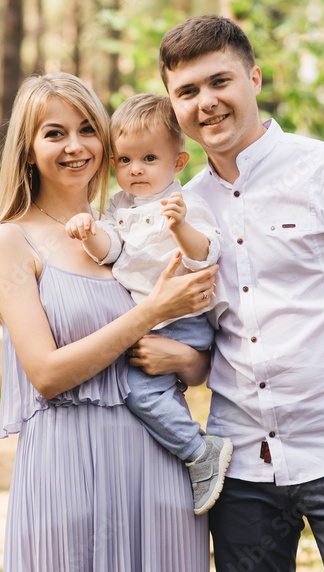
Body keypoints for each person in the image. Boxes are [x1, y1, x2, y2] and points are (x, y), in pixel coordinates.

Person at [156, 15, 324, 571]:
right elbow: (200, 337)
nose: (205, 102)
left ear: (254, 80)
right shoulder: (184, 209)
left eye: (219, 82)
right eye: (187, 91)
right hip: (242, 473)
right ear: (173, 106)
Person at [0, 72, 215, 570]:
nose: (75, 146)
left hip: (159, 464)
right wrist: (150, 312)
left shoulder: (130, 232)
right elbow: (45, 374)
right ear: (27, 149)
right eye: (54, 133)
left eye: (88, 129)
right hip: (68, 468)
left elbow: (194, 364)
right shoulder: (10, 241)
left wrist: (190, 361)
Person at [64, 93, 234, 516]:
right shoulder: (119, 206)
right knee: (142, 388)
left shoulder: (186, 204)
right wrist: (89, 232)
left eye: (148, 159)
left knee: (142, 395)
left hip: (180, 321)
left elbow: (205, 254)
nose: (135, 169)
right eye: (124, 161)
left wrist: (179, 228)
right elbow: (112, 250)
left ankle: (200, 452)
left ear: (177, 163)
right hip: (148, 321)